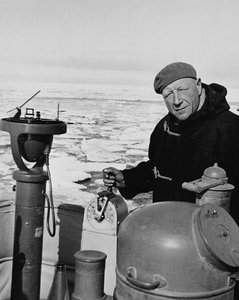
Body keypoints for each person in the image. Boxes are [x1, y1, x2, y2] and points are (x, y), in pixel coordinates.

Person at [103, 62, 239, 226]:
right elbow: (158, 169)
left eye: (182, 90)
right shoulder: (164, 127)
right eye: (168, 94)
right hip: (169, 230)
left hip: (214, 237)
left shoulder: (230, 127)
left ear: (198, 85)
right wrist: (126, 179)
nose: (176, 101)